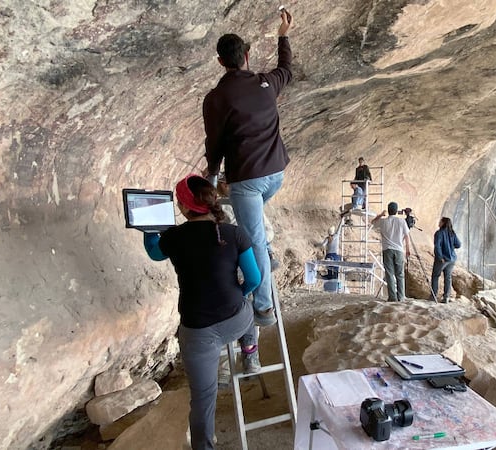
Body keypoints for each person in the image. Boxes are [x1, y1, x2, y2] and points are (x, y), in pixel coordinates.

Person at [143, 174, 262, 450]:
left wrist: (149, 231)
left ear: (185, 208)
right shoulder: (233, 233)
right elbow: (254, 279)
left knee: (203, 398)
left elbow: (154, 253)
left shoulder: (173, 238)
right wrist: (238, 296)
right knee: (248, 309)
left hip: (199, 334)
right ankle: (249, 348)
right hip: (236, 319)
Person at [202, 10, 293, 326]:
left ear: (220, 61)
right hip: (277, 174)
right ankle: (268, 253)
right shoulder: (266, 82)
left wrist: (212, 178)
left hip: (249, 181)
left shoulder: (216, 98)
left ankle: (265, 309)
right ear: (247, 56)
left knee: (252, 241)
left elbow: (214, 143)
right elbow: (286, 68)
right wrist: (283, 34)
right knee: (254, 230)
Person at [371, 202, 411, 301]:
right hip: (399, 250)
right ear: (396, 211)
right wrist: (408, 249)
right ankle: (401, 296)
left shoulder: (383, 222)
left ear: (388, 210)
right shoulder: (401, 221)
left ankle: (392, 297)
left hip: (387, 250)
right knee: (400, 274)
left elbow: (373, 222)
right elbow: (407, 236)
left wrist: (380, 214)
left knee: (389, 274)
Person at [431, 217, 462, 303]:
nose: (439, 222)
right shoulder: (452, 233)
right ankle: (446, 297)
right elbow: (458, 244)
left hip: (443, 259)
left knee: (435, 276)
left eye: (440, 221)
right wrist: (451, 246)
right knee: (448, 277)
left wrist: (440, 257)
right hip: (452, 259)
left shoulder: (439, 233)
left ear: (443, 223)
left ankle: (433, 296)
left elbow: (437, 246)